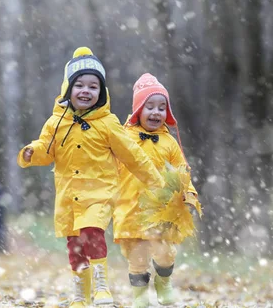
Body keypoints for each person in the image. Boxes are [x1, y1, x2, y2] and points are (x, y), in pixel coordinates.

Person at [17, 47, 167, 307]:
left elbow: (133, 155)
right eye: (80, 85)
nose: (86, 91)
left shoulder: (108, 123)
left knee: (91, 231)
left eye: (93, 87)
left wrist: (157, 182)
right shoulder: (56, 122)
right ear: (68, 89)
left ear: (101, 93)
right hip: (68, 195)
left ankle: (101, 288)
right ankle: (80, 296)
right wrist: (32, 152)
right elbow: (46, 149)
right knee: (74, 244)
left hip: (99, 192)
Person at [113, 73, 202, 307]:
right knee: (137, 256)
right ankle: (140, 296)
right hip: (131, 207)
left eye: (161, 108)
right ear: (138, 111)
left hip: (161, 210)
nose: (155, 113)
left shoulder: (169, 143)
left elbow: (182, 171)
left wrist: (188, 192)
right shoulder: (123, 138)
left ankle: (164, 282)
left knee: (165, 252)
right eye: (149, 107)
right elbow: (109, 166)